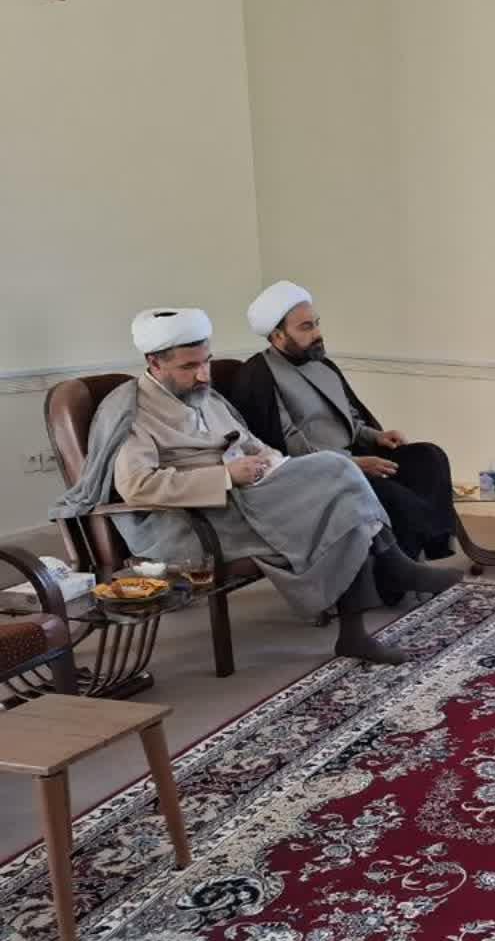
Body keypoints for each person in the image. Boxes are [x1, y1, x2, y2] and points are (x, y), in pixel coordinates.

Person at [54, 308, 460, 665]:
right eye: (189, 366)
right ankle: (388, 577)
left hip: (244, 498)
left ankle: (359, 625)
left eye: (206, 362)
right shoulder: (132, 415)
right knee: (335, 477)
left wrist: (273, 463)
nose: (203, 375)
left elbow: (249, 442)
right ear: (154, 363)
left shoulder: (204, 396)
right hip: (189, 522)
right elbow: (137, 485)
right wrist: (226, 476)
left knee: (336, 494)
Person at [229, 280, 455, 564]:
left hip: (355, 457)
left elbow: (350, 419)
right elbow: (287, 446)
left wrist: (376, 437)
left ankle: (431, 546)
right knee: (395, 496)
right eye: (306, 327)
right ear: (277, 335)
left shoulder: (322, 364)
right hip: (320, 474)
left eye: (316, 323)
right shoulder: (259, 376)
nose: (317, 333)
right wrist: (352, 464)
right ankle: (399, 568)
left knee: (429, 457)